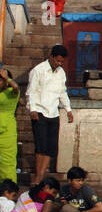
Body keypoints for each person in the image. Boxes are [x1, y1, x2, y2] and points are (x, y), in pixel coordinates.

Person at [27, 44, 73, 182]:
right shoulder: (38, 70)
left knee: (51, 147)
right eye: (57, 60)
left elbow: (62, 93)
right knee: (41, 146)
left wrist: (68, 109)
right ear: (51, 57)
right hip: (39, 110)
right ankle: (38, 176)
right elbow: (31, 91)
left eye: (61, 62)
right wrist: (32, 109)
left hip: (54, 112)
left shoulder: (61, 72)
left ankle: (41, 174)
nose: (59, 63)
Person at [0, 67, 19, 182]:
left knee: (7, 162)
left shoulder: (12, 93)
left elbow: (16, 87)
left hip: (7, 131)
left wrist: (6, 77)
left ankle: (8, 190)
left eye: (1, 80)